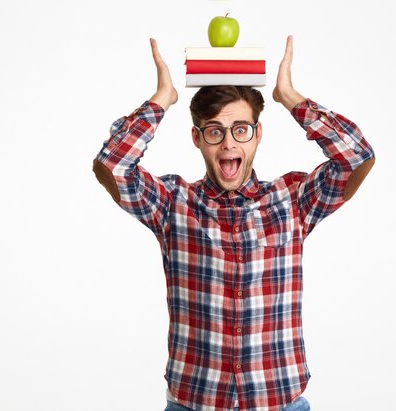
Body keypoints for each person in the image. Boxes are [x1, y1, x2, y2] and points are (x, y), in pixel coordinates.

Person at [93, 36, 375, 411]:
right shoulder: (173, 204)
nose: (228, 144)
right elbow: (111, 166)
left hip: (279, 400)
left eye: (241, 129)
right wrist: (162, 100)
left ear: (258, 135)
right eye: (215, 131)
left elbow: (357, 158)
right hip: (194, 402)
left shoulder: (292, 200)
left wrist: (289, 97)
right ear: (197, 138)